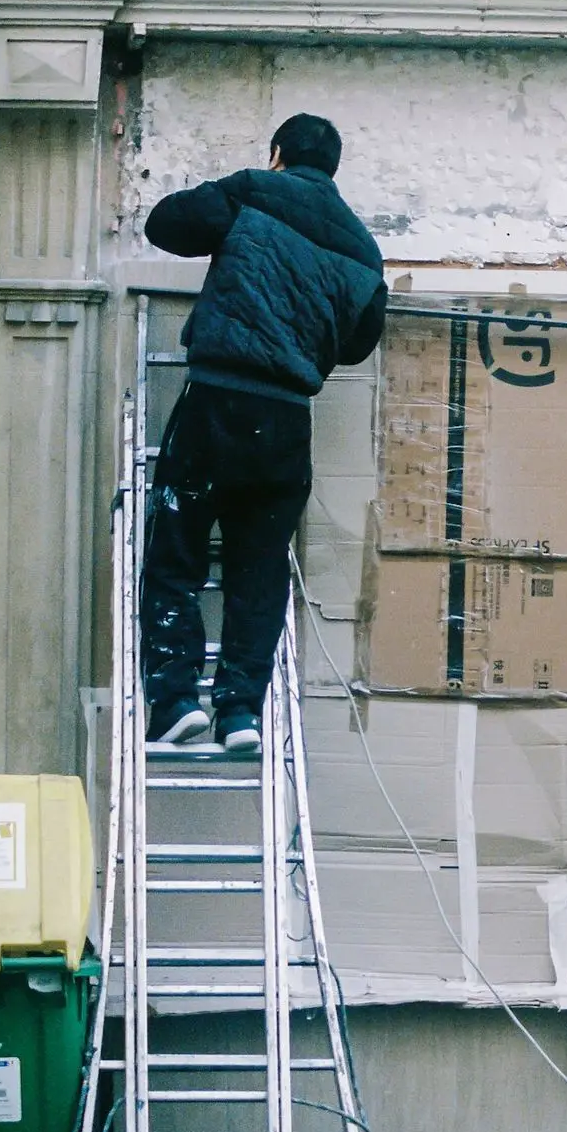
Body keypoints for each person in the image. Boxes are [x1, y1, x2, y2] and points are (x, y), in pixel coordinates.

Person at [140, 113, 388, 749]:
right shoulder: (363, 249)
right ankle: (240, 711)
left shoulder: (254, 190)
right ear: (333, 169)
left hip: (218, 402)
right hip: (286, 423)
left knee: (177, 548)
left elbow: (165, 225)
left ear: (278, 153)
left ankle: (173, 701)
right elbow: (360, 342)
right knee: (259, 569)